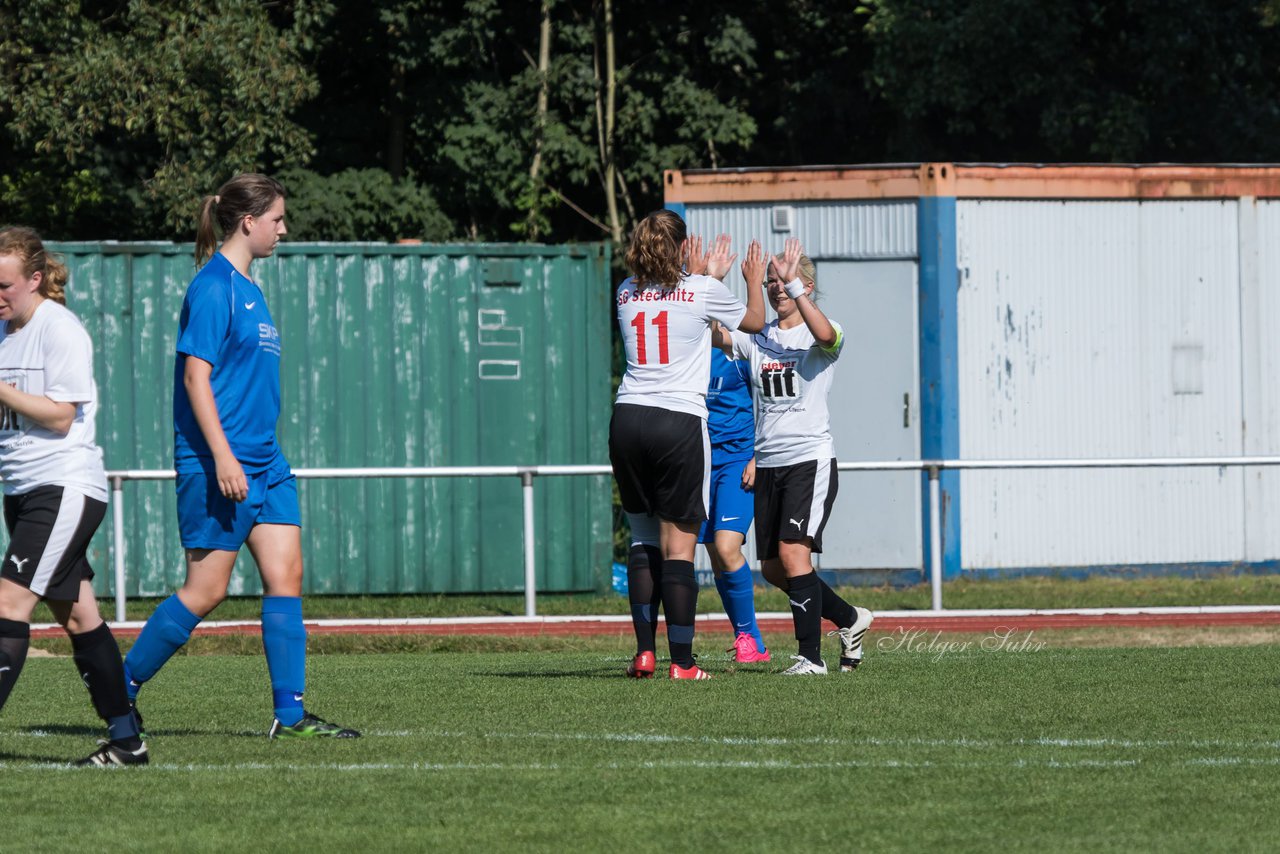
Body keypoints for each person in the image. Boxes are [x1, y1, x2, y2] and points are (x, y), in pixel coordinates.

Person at [122, 174, 358, 738]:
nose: (284, 228)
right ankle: (118, 686)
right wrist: (224, 458)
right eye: (277, 219)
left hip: (267, 461)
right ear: (247, 222)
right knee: (206, 591)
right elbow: (196, 379)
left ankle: (291, 715)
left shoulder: (252, 288)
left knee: (287, 575)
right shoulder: (213, 286)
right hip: (219, 463)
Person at [0, 226, 148, 766]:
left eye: (4, 286)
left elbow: (61, 417)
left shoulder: (60, 329)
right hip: (23, 489)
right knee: (80, 618)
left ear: (35, 279)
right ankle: (127, 740)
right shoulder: (3, 333)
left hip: (63, 486)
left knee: (6, 604)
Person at [611, 212, 764, 680]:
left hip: (626, 418)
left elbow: (663, 294)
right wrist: (751, 281)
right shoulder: (699, 290)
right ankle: (682, 663)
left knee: (642, 541)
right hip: (677, 421)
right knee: (679, 549)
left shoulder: (622, 291)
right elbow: (754, 322)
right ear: (680, 249)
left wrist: (696, 273)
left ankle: (643, 653)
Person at [718, 237, 874, 675]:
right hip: (769, 464)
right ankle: (849, 619)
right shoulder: (759, 338)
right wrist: (719, 282)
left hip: (809, 460)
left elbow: (826, 335)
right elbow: (716, 333)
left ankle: (810, 659)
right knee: (771, 568)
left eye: (783, 281)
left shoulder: (822, 331)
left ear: (804, 283)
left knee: (793, 556)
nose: (776, 288)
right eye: (771, 282)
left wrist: (797, 289)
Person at [698, 338, 769, 663]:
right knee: (715, 553)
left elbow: (768, 406)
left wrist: (757, 456)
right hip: (698, 461)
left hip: (737, 460)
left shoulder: (740, 349)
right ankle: (749, 642)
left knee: (728, 548)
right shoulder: (689, 346)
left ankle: (750, 638)